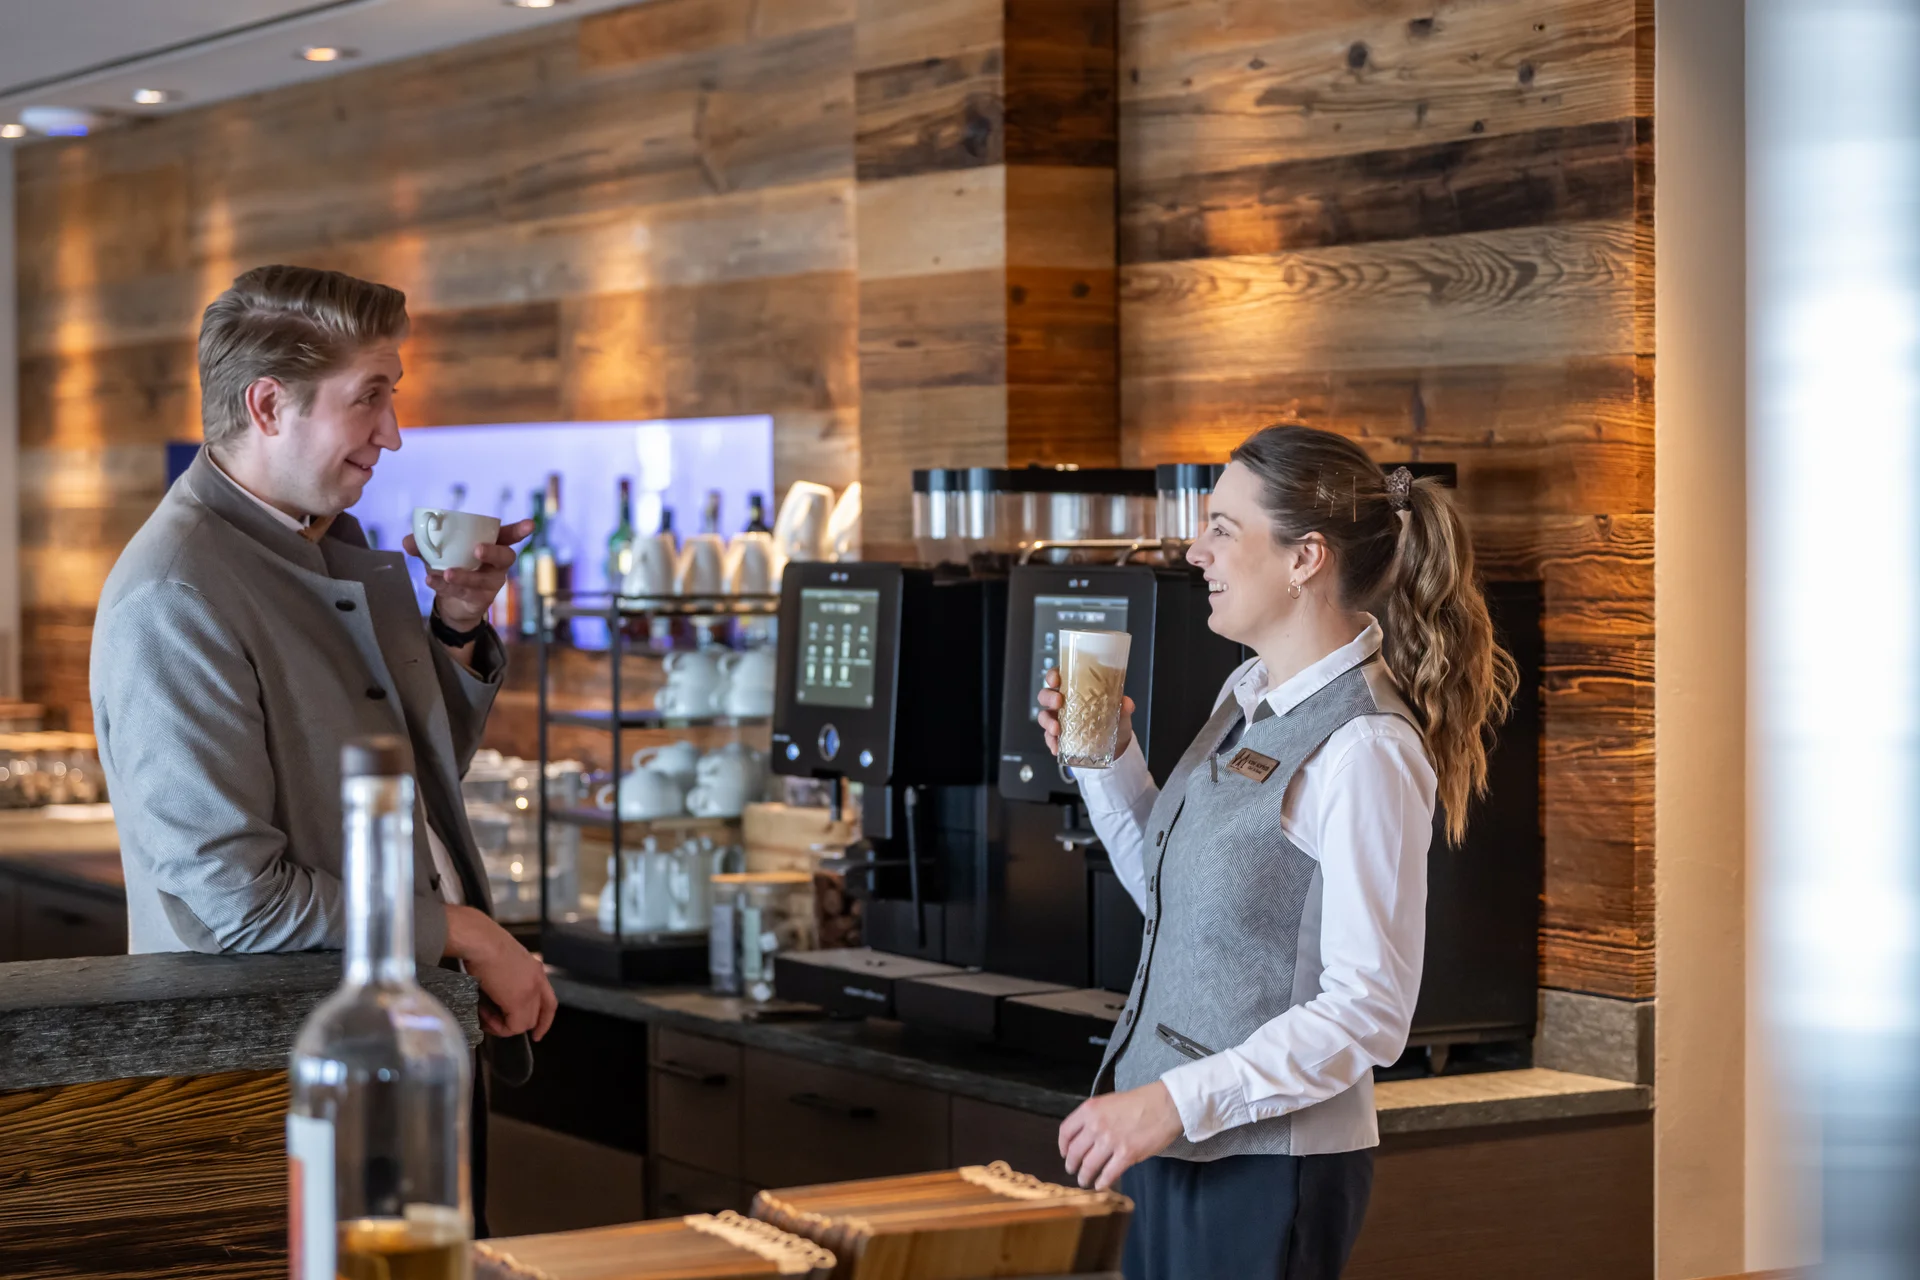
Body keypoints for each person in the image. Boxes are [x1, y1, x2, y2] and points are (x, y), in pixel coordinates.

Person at [89, 264, 557, 1232]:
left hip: (402, 1040)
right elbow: (234, 898)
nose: (393, 433)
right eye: (371, 397)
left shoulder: (326, 545)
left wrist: (456, 627)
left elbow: (417, 787)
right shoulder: (178, 592)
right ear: (268, 404)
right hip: (284, 1076)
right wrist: (465, 932)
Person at [1037, 425, 1517, 1279]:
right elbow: (1172, 892)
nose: (1195, 551)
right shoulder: (1249, 692)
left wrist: (1173, 1103)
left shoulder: (1366, 746)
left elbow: (1369, 1012)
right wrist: (1109, 760)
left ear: (1306, 558)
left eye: (1223, 527)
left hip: (1271, 1169)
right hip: (1180, 1147)